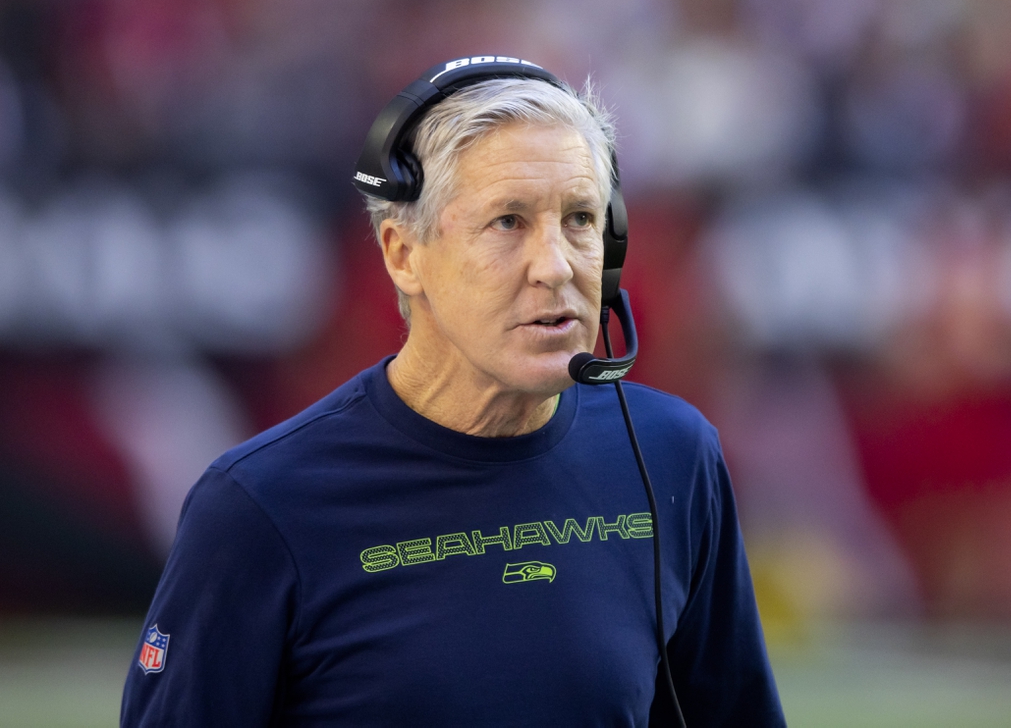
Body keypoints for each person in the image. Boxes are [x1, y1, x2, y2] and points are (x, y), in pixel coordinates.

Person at [120, 56, 785, 726]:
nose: (555, 265)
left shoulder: (673, 457)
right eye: (508, 222)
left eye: (581, 218)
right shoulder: (257, 508)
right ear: (403, 253)